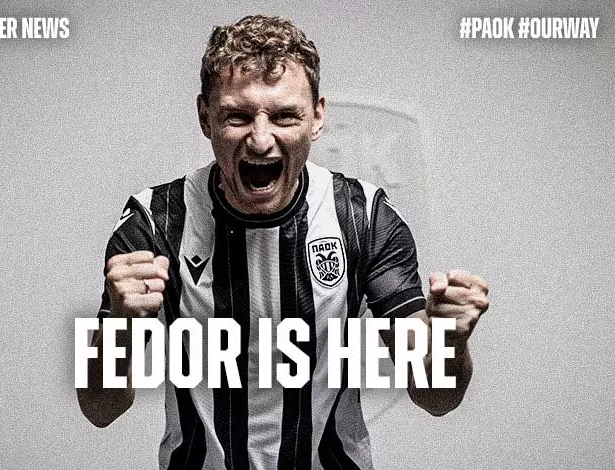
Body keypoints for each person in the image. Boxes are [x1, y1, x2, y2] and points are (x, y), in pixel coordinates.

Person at [77, 14, 490, 470]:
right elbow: (99, 408)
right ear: (205, 117)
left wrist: (451, 342)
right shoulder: (155, 222)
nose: (260, 140)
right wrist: (119, 327)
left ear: (317, 117)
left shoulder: (365, 218)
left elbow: (436, 396)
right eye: (237, 116)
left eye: (284, 116)